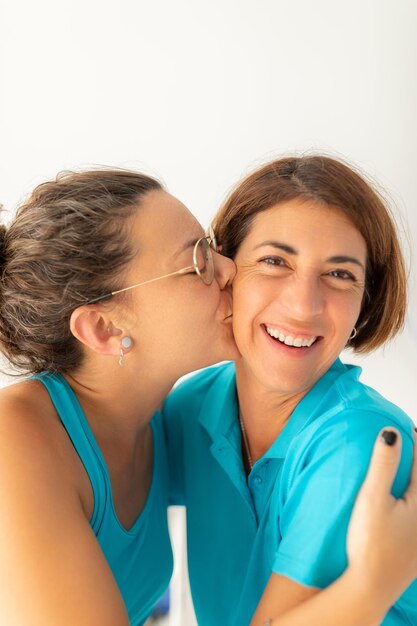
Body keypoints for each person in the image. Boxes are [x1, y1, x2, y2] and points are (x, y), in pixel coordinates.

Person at [0, 165, 415, 626]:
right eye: (196, 261)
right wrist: (373, 583)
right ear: (103, 327)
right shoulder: (27, 436)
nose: (228, 270)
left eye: (340, 273)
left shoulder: (353, 441)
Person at [163, 155, 417, 625]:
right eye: (275, 261)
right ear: (225, 274)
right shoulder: (195, 404)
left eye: (340, 274)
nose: (303, 306)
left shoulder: (360, 442)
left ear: (364, 304)